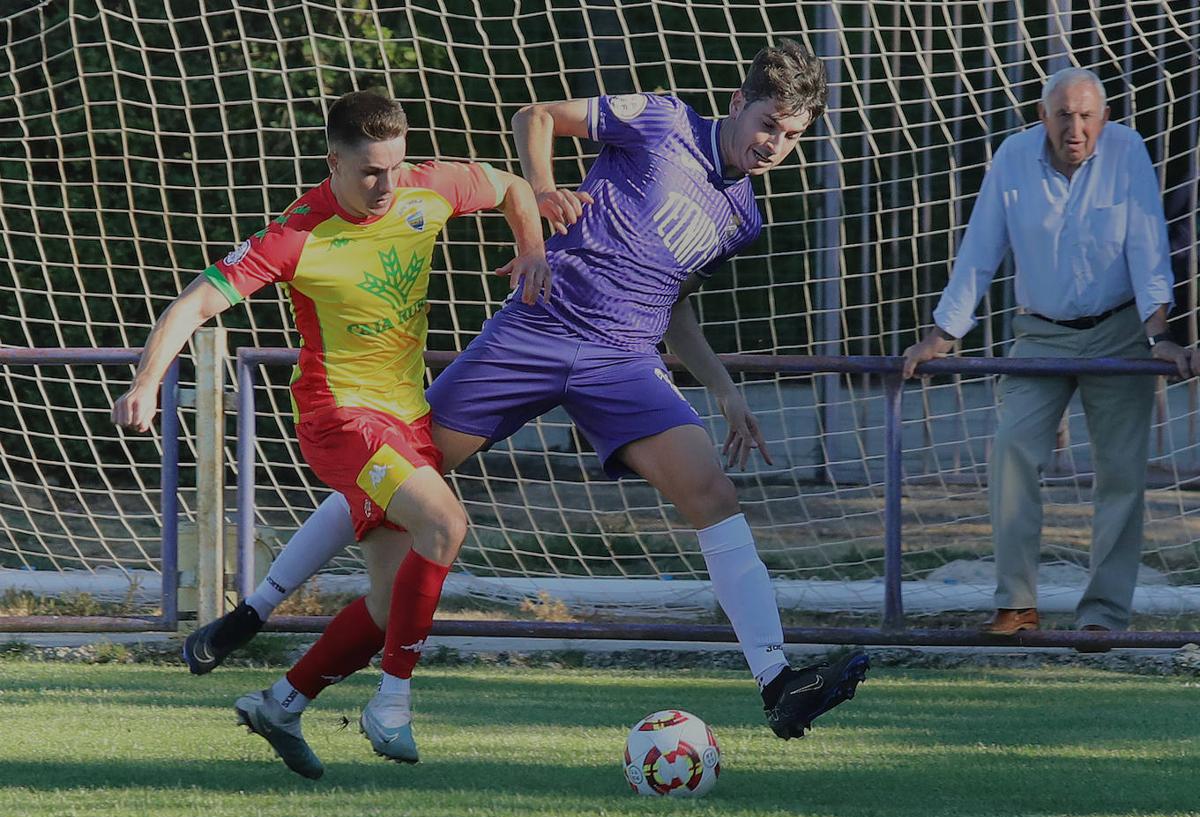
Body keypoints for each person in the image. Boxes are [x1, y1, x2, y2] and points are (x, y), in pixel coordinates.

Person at [186, 39, 870, 778]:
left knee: (712, 490)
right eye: (770, 123)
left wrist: (724, 388)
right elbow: (536, 113)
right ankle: (253, 611)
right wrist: (541, 195)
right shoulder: (664, 119)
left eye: (793, 136)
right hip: (536, 330)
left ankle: (777, 683)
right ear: (738, 104)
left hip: (624, 361)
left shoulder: (742, 217)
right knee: (397, 477)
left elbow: (675, 305)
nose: (775, 144)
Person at [112, 89, 551, 778]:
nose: (385, 186)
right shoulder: (297, 233)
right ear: (333, 162)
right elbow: (192, 303)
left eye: (394, 167)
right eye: (369, 172)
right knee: (446, 524)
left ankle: (281, 703)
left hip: (404, 417)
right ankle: (393, 701)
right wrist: (144, 384)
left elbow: (514, 186)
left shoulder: (426, 187)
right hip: (338, 418)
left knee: (386, 604)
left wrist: (532, 250)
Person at [901, 67, 1185, 651]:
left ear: (1103, 121)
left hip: (1119, 331)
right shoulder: (1012, 158)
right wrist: (942, 333)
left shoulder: (1129, 153)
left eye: (1085, 116)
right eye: (1063, 115)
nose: (1074, 128)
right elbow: (980, 248)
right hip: (1039, 334)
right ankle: (1016, 605)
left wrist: (1159, 335)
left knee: (1121, 474)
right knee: (1011, 451)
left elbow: (1148, 246)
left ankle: (1103, 616)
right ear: (1043, 118)